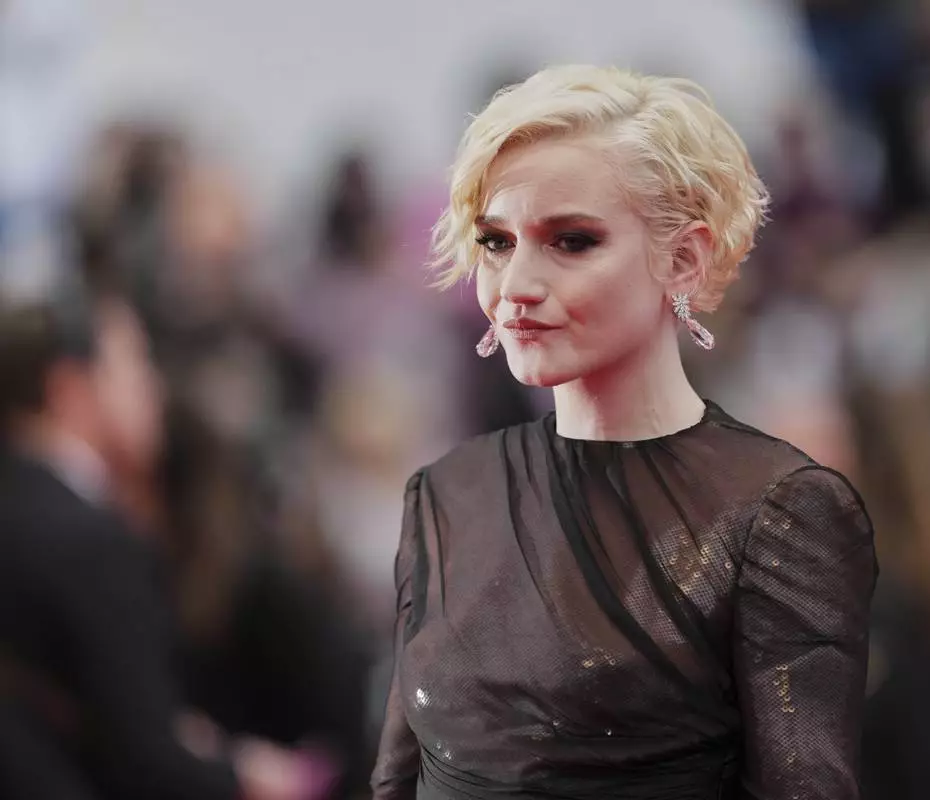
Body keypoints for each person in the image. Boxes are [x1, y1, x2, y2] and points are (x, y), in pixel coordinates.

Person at [372, 65, 878, 800]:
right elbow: (398, 781)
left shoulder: (776, 513)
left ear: (683, 258)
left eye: (571, 241)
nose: (515, 284)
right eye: (495, 241)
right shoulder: (444, 497)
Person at [0, 292, 313, 800]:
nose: (153, 387)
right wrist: (244, 778)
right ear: (69, 390)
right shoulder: (92, 543)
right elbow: (145, 762)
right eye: (133, 364)